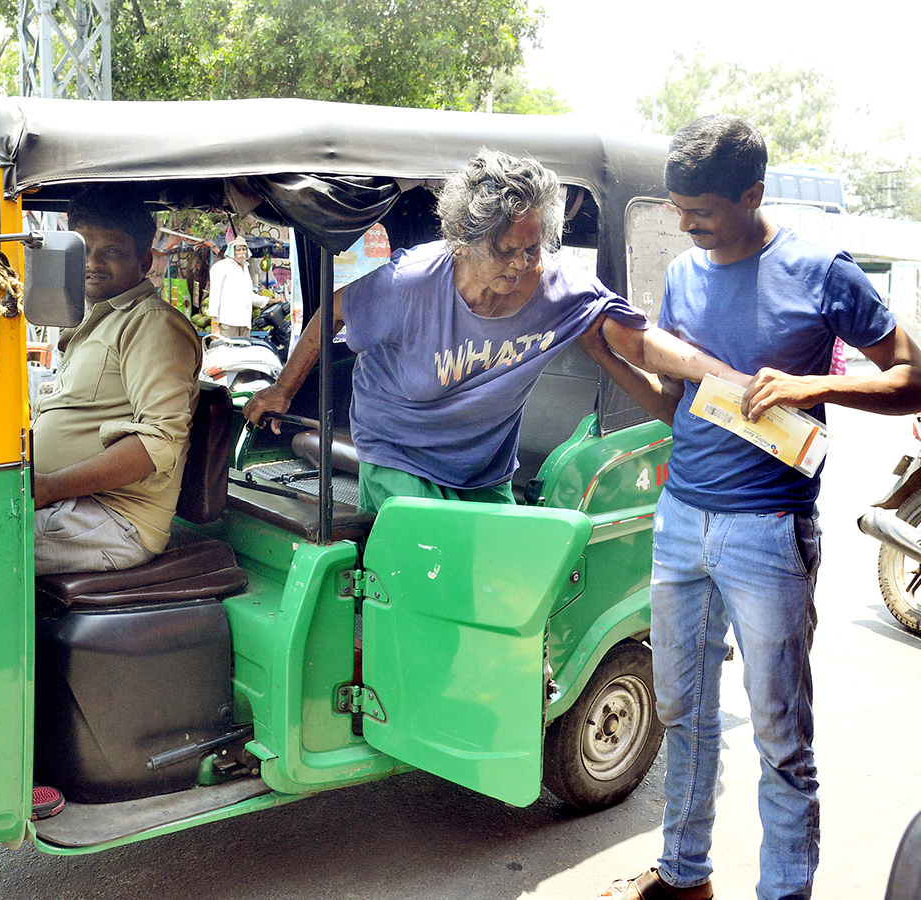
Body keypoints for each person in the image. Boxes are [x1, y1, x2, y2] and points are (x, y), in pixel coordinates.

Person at [599, 115, 921, 900]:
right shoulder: (684, 274)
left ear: (753, 193)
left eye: (699, 211)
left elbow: (911, 374)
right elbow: (677, 405)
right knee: (683, 714)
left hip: (768, 533)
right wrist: (603, 350)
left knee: (781, 736)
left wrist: (817, 386)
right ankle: (684, 877)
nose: (684, 224)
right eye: (676, 209)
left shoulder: (822, 271)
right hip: (681, 522)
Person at [243, 148, 745, 513]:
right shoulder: (410, 282)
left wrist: (726, 377)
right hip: (399, 455)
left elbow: (638, 343)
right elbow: (331, 313)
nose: (521, 265)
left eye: (532, 249)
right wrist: (283, 390)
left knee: (499, 590)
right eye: (504, 251)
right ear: (461, 241)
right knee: (430, 572)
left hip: (485, 469)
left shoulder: (558, 286)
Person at [31, 186, 202, 576]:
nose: (92, 263)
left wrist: (50, 487)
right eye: (84, 249)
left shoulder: (150, 324)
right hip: (72, 503)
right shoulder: (98, 319)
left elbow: (157, 443)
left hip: (115, 519)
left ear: (143, 261)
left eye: (112, 251)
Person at [208, 236, 258, 338]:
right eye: (238, 249)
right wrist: (214, 324)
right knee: (226, 351)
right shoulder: (221, 267)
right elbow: (214, 295)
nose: (241, 252)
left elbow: (248, 296)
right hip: (228, 322)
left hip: (245, 323)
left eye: (244, 249)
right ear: (231, 251)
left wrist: (270, 301)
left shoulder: (245, 268)